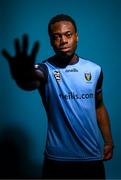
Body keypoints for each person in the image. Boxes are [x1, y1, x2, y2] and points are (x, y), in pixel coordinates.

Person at [2, 14, 114, 179]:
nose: (63, 40)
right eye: (57, 37)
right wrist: (22, 75)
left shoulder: (95, 70)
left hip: (91, 158)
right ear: (51, 41)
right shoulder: (44, 69)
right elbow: (30, 80)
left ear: (77, 36)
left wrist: (109, 141)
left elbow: (98, 106)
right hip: (57, 161)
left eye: (68, 34)